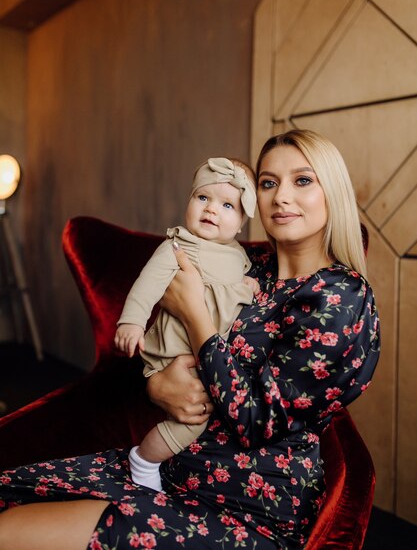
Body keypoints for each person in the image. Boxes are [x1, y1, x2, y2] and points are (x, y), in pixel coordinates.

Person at [0, 129, 380, 550]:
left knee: (12, 534)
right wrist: (156, 386)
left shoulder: (340, 295)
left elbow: (256, 421)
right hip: (168, 466)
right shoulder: (246, 265)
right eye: (269, 183)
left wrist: (195, 313)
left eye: (303, 180)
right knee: (8, 497)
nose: (281, 196)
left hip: (245, 505)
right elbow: (166, 342)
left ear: (334, 191)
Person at [114, 156, 259, 492]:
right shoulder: (178, 246)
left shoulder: (237, 256)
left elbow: (231, 294)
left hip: (208, 355)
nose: (211, 210)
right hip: (173, 352)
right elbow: (146, 284)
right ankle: (145, 461)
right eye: (202, 198)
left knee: (204, 411)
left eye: (227, 205)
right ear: (189, 201)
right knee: (193, 419)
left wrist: (247, 286)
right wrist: (132, 322)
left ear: (240, 223)